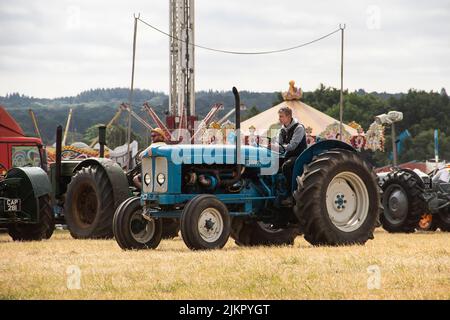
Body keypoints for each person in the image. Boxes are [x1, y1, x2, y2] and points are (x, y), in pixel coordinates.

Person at [277, 107, 307, 205]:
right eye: (279, 116)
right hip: (288, 155)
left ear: (288, 116)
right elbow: (279, 144)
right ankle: (277, 191)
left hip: (299, 155)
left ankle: (291, 194)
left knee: (286, 166)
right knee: (272, 163)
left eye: (281, 116)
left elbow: (293, 145)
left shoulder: (299, 128)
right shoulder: (282, 130)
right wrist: (272, 147)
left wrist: (279, 147)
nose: (279, 119)